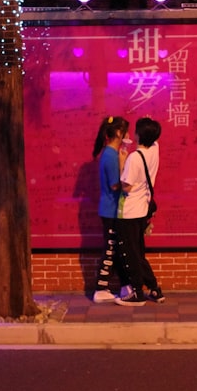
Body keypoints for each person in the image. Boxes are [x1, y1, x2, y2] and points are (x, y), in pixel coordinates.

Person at [114, 117, 165, 306]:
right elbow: (154, 138)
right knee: (138, 252)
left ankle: (137, 293)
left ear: (138, 135)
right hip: (143, 210)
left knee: (131, 254)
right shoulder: (154, 150)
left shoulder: (134, 158)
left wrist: (121, 162)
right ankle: (154, 289)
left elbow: (125, 187)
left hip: (129, 211)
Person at [89, 115, 131, 303]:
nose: (129, 135)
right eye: (126, 131)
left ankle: (124, 285)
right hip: (111, 210)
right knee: (110, 249)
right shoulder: (111, 156)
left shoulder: (109, 154)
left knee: (115, 248)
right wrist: (123, 164)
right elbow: (115, 185)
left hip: (111, 209)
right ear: (118, 133)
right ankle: (100, 287)